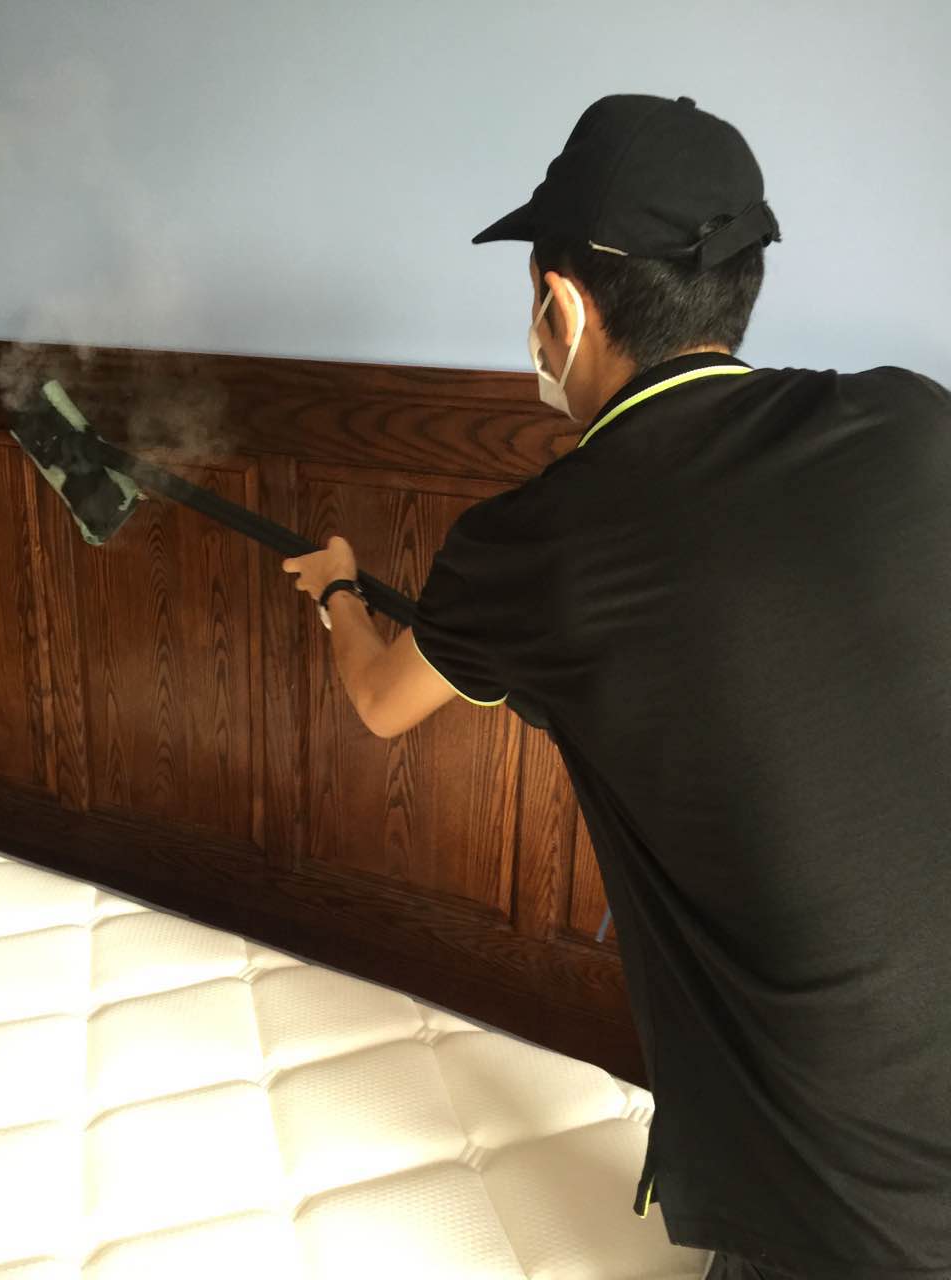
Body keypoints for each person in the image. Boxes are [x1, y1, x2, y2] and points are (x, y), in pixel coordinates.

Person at [283, 94, 951, 1279]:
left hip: (853, 1204)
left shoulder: (536, 545)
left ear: (564, 307)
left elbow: (382, 700)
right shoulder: (914, 420)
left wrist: (339, 587)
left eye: (536, 313)